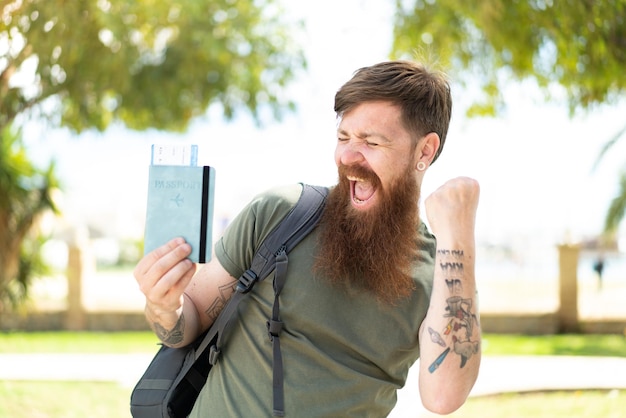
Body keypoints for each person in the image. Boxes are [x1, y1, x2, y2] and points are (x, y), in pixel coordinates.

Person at [134, 60, 481, 416]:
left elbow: (443, 398)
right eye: (343, 137)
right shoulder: (280, 213)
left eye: (371, 142)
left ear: (424, 151)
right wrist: (164, 307)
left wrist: (458, 238)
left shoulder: (438, 276)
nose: (347, 155)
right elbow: (187, 321)